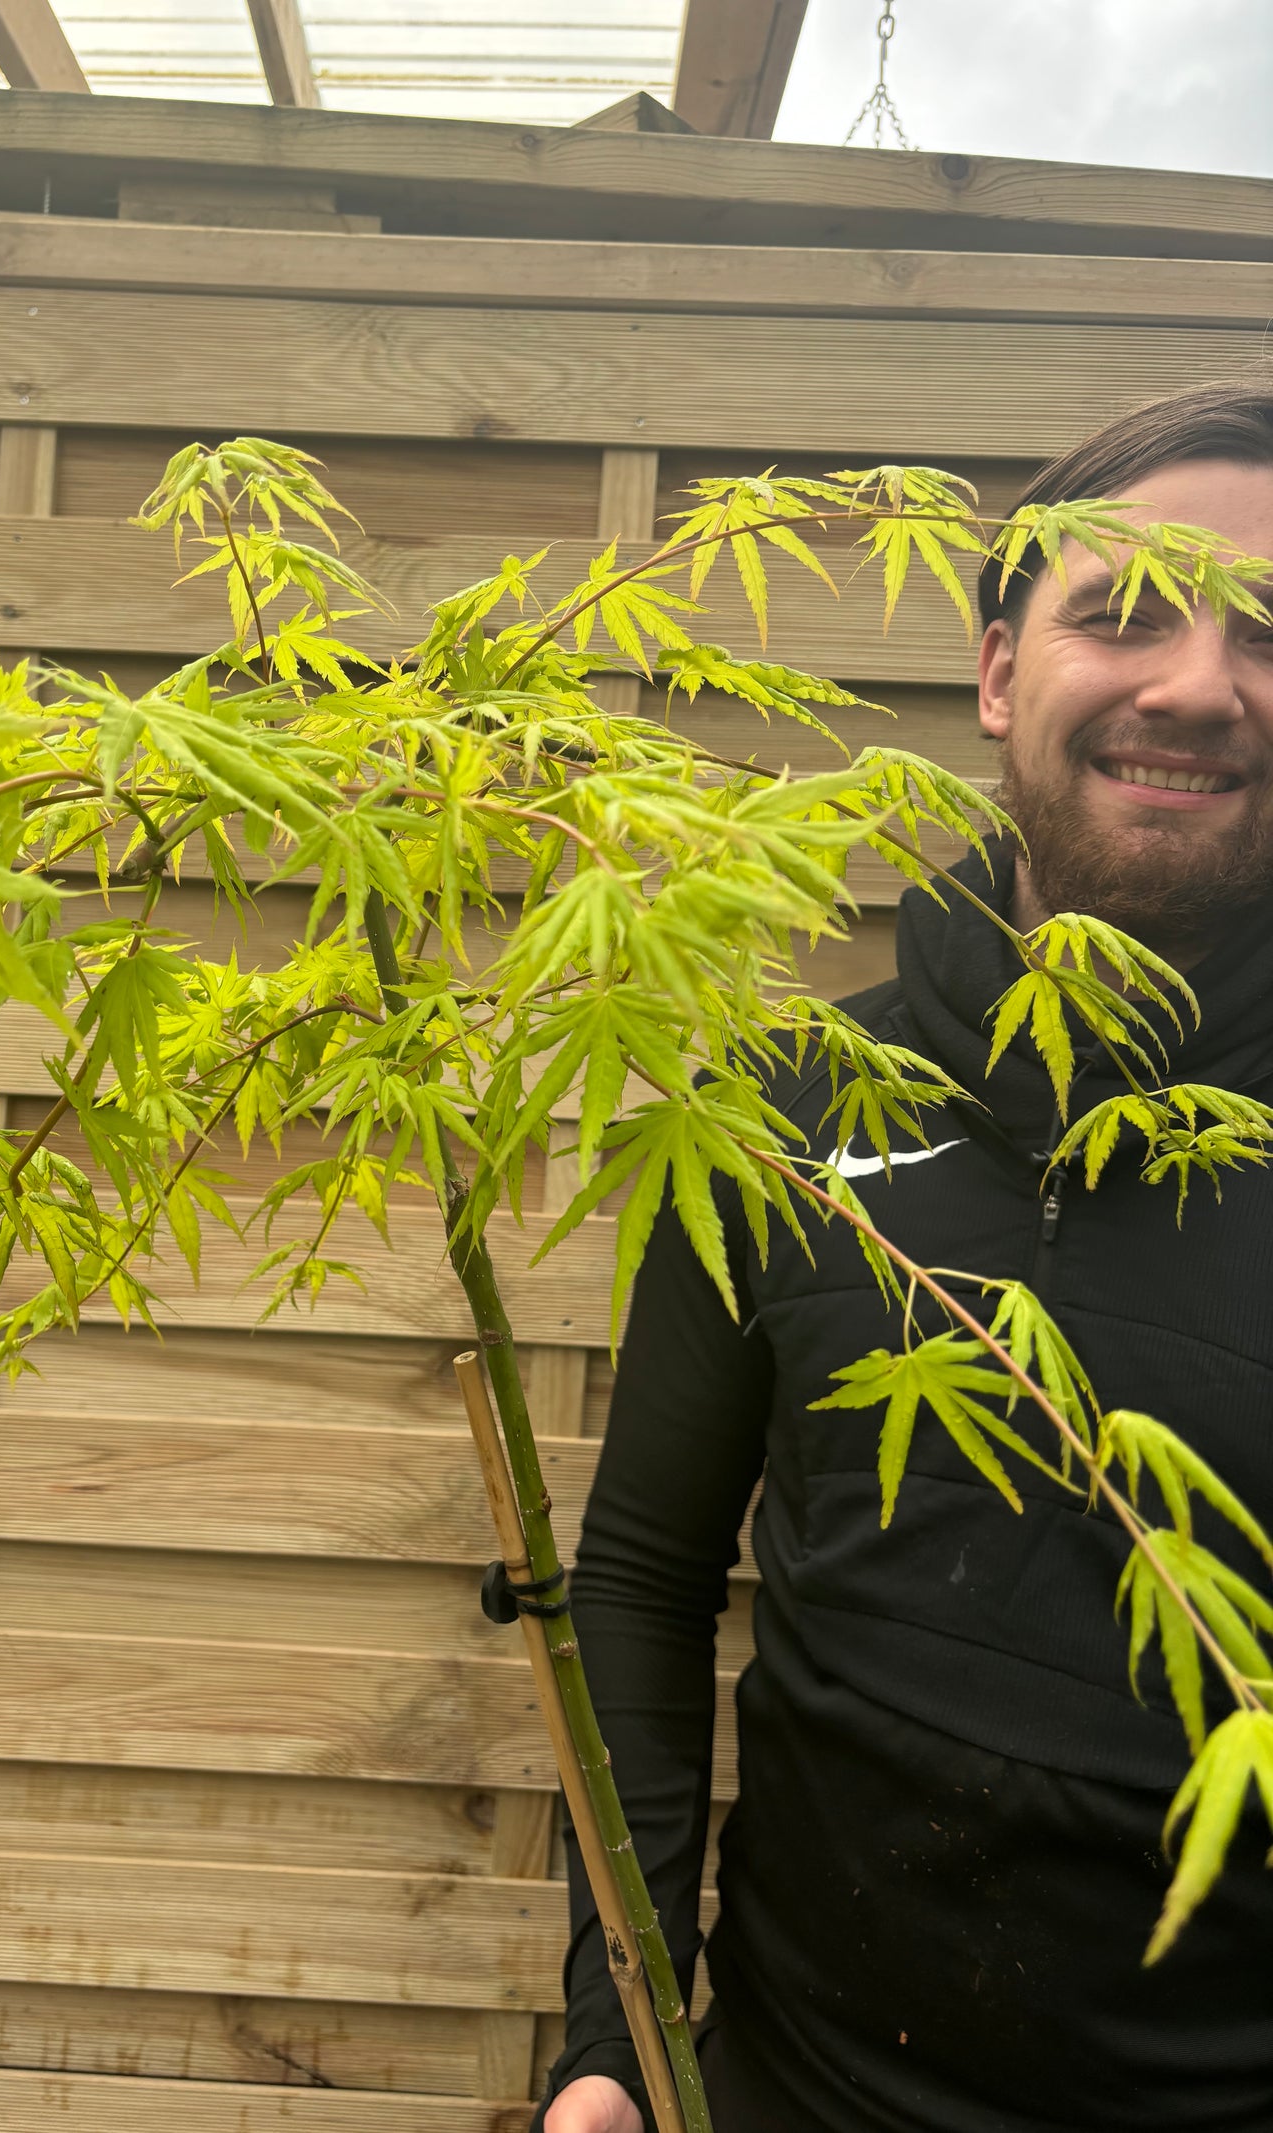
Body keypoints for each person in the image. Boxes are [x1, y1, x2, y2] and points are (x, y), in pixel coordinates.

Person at [537, 383, 1273, 2133]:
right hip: (787, 2088)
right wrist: (613, 2033)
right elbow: (645, 1571)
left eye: (1267, 631)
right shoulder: (786, 1104)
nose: (1198, 681)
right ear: (1000, 670)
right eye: (1125, 611)